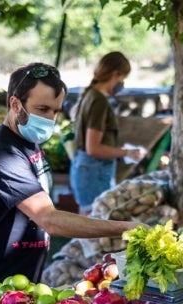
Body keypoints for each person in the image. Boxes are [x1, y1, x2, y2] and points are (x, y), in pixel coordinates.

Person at [0, 62, 143, 304]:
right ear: (15, 104)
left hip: (20, 290)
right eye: (41, 109)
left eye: (55, 111)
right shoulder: (2, 155)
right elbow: (49, 219)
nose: (49, 119)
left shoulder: (29, 142)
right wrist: (124, 228)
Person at [70, 52, 144, 215]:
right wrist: (126, 152)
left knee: (88, 223)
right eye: (122, 78)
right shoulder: (99, 101)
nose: (121, 83)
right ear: (115, 73)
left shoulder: (90, 95)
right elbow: (93, 148)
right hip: (94, 172)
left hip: (88, 170)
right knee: (92, 227)